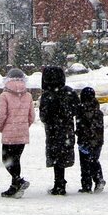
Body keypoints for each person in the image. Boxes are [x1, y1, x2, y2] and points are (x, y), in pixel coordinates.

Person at [38, 65, 79, 195]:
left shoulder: (46, 95)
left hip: (52, 130)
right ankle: (61, 182)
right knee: (63, 154)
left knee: (55, 156)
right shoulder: (69, 92)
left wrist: (51, 120)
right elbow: (77, 109)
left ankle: (59, 183)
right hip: (66, 129)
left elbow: (43, 115)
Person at [0, 67, 35, 198]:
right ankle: (15, 187)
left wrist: (1, 127)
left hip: (9, 133)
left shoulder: (4, 95)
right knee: (16, 159)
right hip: (22, 133)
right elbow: (32, 116)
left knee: (7, 159)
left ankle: (19, 181)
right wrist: (24, 126)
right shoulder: (28, 95)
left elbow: (2, 115)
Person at [75, 86, 106, 193]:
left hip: (84, 141)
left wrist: (79, 134)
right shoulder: (98, 111)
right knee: (94, 160)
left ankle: (87, 185)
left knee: (85, 164)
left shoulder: (81, 109)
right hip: (97, 141)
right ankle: (98, 179)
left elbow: (81, 126)